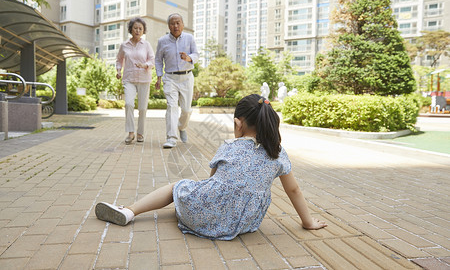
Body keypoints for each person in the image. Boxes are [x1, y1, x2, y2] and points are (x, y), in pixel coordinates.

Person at [95, 94, 328, 240]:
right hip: (243, 223)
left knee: (179, 186)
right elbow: (294, 190)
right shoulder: (278, 154)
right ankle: (174, 211)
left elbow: (212, 179)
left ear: (238, 124)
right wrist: (307, 222)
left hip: (202, 215)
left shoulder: (229, 146)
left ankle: (129, 211)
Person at [155, 13, 199, 148]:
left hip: (186, 77)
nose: (175, 26)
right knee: (171, 106)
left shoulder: (189, 38)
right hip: (170, 78)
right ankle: (171, 138)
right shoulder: (162, 41)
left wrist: (189, 58)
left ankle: (182, 127)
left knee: (186, 109)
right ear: (169, 26)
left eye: (178, 22)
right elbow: (158, 60)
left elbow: (196, 54)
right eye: (172, 23)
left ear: (183, 24)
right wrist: (159, 76)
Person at [116, 17, 155, 144]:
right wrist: (118, 70)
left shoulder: (146, 45)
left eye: (140, 29)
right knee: (128, 104)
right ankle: (131, 132)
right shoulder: (124, 45)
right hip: (129, 79)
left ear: (143, 31)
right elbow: (119, 59)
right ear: (131, 29)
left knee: (142, 108)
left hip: (144, 79)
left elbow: (152, 60)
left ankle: (140, 133)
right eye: (135, 28)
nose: (137, 30)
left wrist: (145, 65)